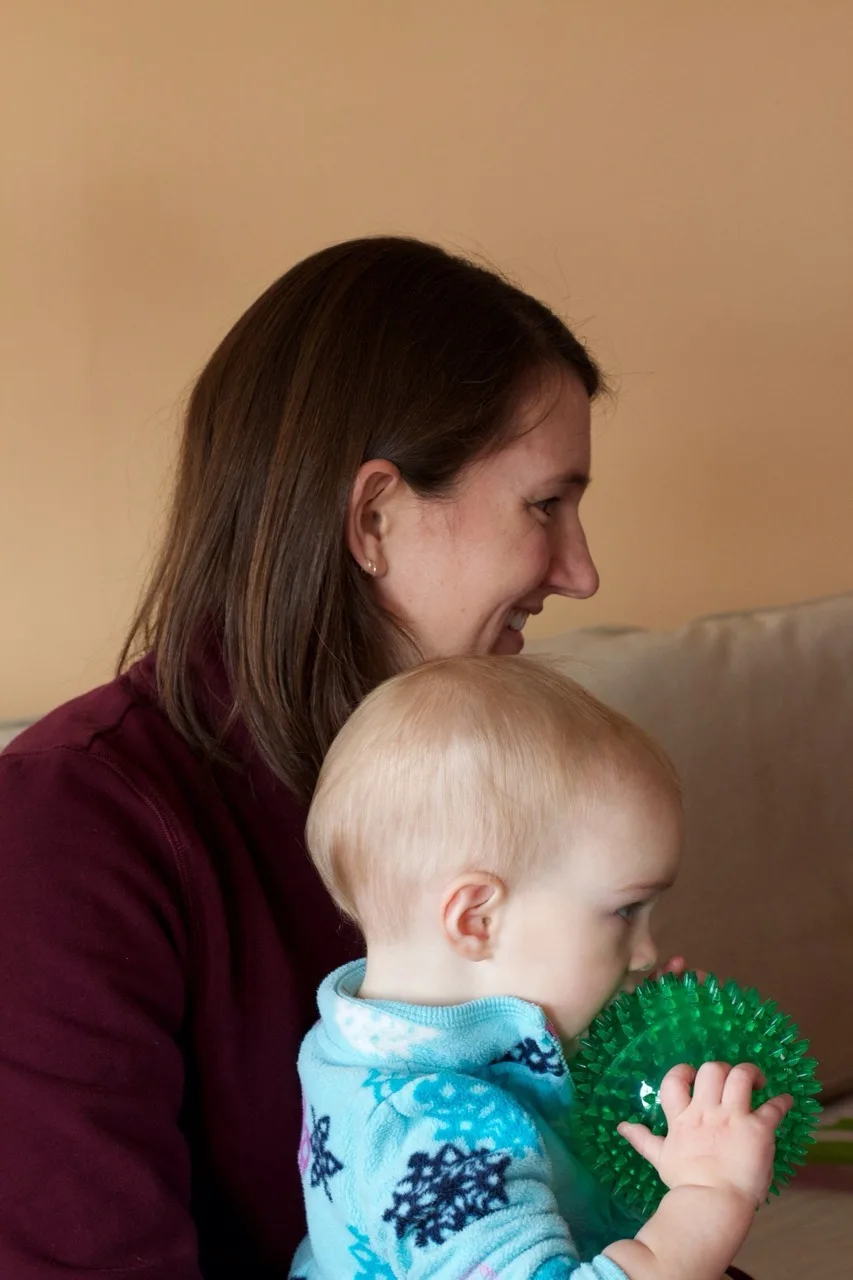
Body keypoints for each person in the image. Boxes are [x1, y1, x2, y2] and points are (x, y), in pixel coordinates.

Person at [0, 236, 607, 1279]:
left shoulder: (506, 775)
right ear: (373, 516)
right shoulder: (71, 824)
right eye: (545, 504)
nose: (582, 570)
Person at [291, 656, 791, 1280]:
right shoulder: (431, 1128)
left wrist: (633, 1061)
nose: (646, 952)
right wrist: (710, 1197)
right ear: (477, 920)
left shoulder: (382, 1044)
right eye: (625, 911)